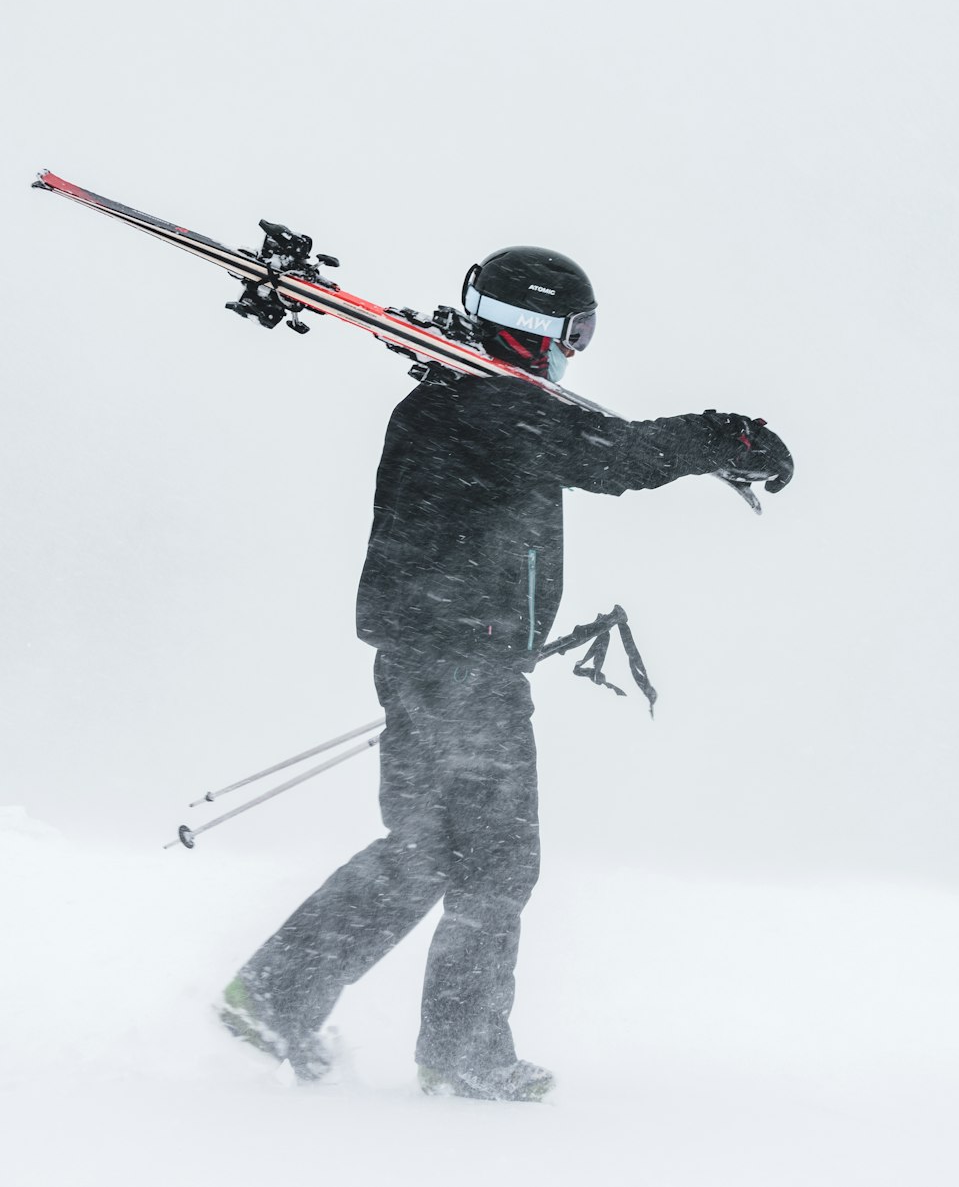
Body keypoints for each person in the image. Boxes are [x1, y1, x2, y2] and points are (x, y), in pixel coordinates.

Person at [218, 246, 794, 1101]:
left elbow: (588, 449)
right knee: (494, 865)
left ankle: (274, 997)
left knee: (424, 854)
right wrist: (723, 437)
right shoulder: (489, 407)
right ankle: (461, 1053)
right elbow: (614, 457)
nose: (579, 348)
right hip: (464, 666)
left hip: (431, 656)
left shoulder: (464, 400)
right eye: (577, 330)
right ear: (538, 326)